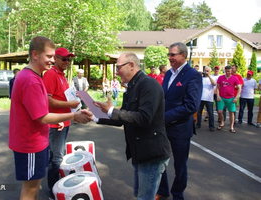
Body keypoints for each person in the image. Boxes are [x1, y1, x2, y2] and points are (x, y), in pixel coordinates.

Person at [8, 36, 93, 200]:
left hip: (36, 141)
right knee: (31, 188)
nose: (52, 60)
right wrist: (74, 114)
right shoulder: (31, 79)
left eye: (54, 56)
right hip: (30, 143)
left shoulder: (34, 76)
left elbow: (40, 110)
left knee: (35, 185)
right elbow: (43, 117)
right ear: (34, 54)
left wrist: (61, 118)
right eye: (49, 56)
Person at [94, 52, 171, 200]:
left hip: (151, 153)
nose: (116, 72)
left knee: (144, 197)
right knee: (139, 194)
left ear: (131, 66)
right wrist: (95, 117)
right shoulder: (132, 87)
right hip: (140, 152)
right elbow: (124, 116)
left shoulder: (149, 84)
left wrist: (111, 110)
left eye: (118, 68)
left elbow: (144, 118)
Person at [156, 42, 202, 200]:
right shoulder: (169, 73)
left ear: (184, 56)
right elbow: (165, 98)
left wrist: (165, 117)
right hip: (163, 126)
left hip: (180, 129)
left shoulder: (193, 75)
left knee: (180, 166)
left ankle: (178, 194)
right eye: (169, 54)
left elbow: (191, 105)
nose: (169, 57)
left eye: (173, 54)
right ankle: (162, 190)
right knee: (159, 159)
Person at [42, 47, 80, 200]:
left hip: (63, 121)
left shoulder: (62, 76)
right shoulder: (51, 74)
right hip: (55, 123)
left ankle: (57, 187)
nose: (67, 62)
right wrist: (70, 104)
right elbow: (48, 100)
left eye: (68, 59)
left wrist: (73, 106)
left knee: (59, 156)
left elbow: (63, 98)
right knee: (56, 158)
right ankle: (53, 190)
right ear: (55, 59)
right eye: (64, 59)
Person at [216, 65, 241, 133]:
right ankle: (222, 122)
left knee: (231, 112)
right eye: (226, 71)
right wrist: (218, 96)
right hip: (222, 97)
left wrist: (236, 97)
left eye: (229, 71)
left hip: (231, 97)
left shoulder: (234, 78)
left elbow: (239, 88)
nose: (228, 73)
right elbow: (217, 87)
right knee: (220, 111)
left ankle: (231, 127)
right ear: (225, 71)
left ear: (231, 71)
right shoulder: (221, 78)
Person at [196, 66, 217, 131]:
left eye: (208, 71)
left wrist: (209, 76)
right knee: (199, 112)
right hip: (201, 98)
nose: (206, 72)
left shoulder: (212, 78)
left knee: (210, 113)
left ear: (210, 72)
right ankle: (198, 124)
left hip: (209, 98)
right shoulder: (201, 78)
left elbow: (214, 83)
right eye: (205, 71)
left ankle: (211, 126)